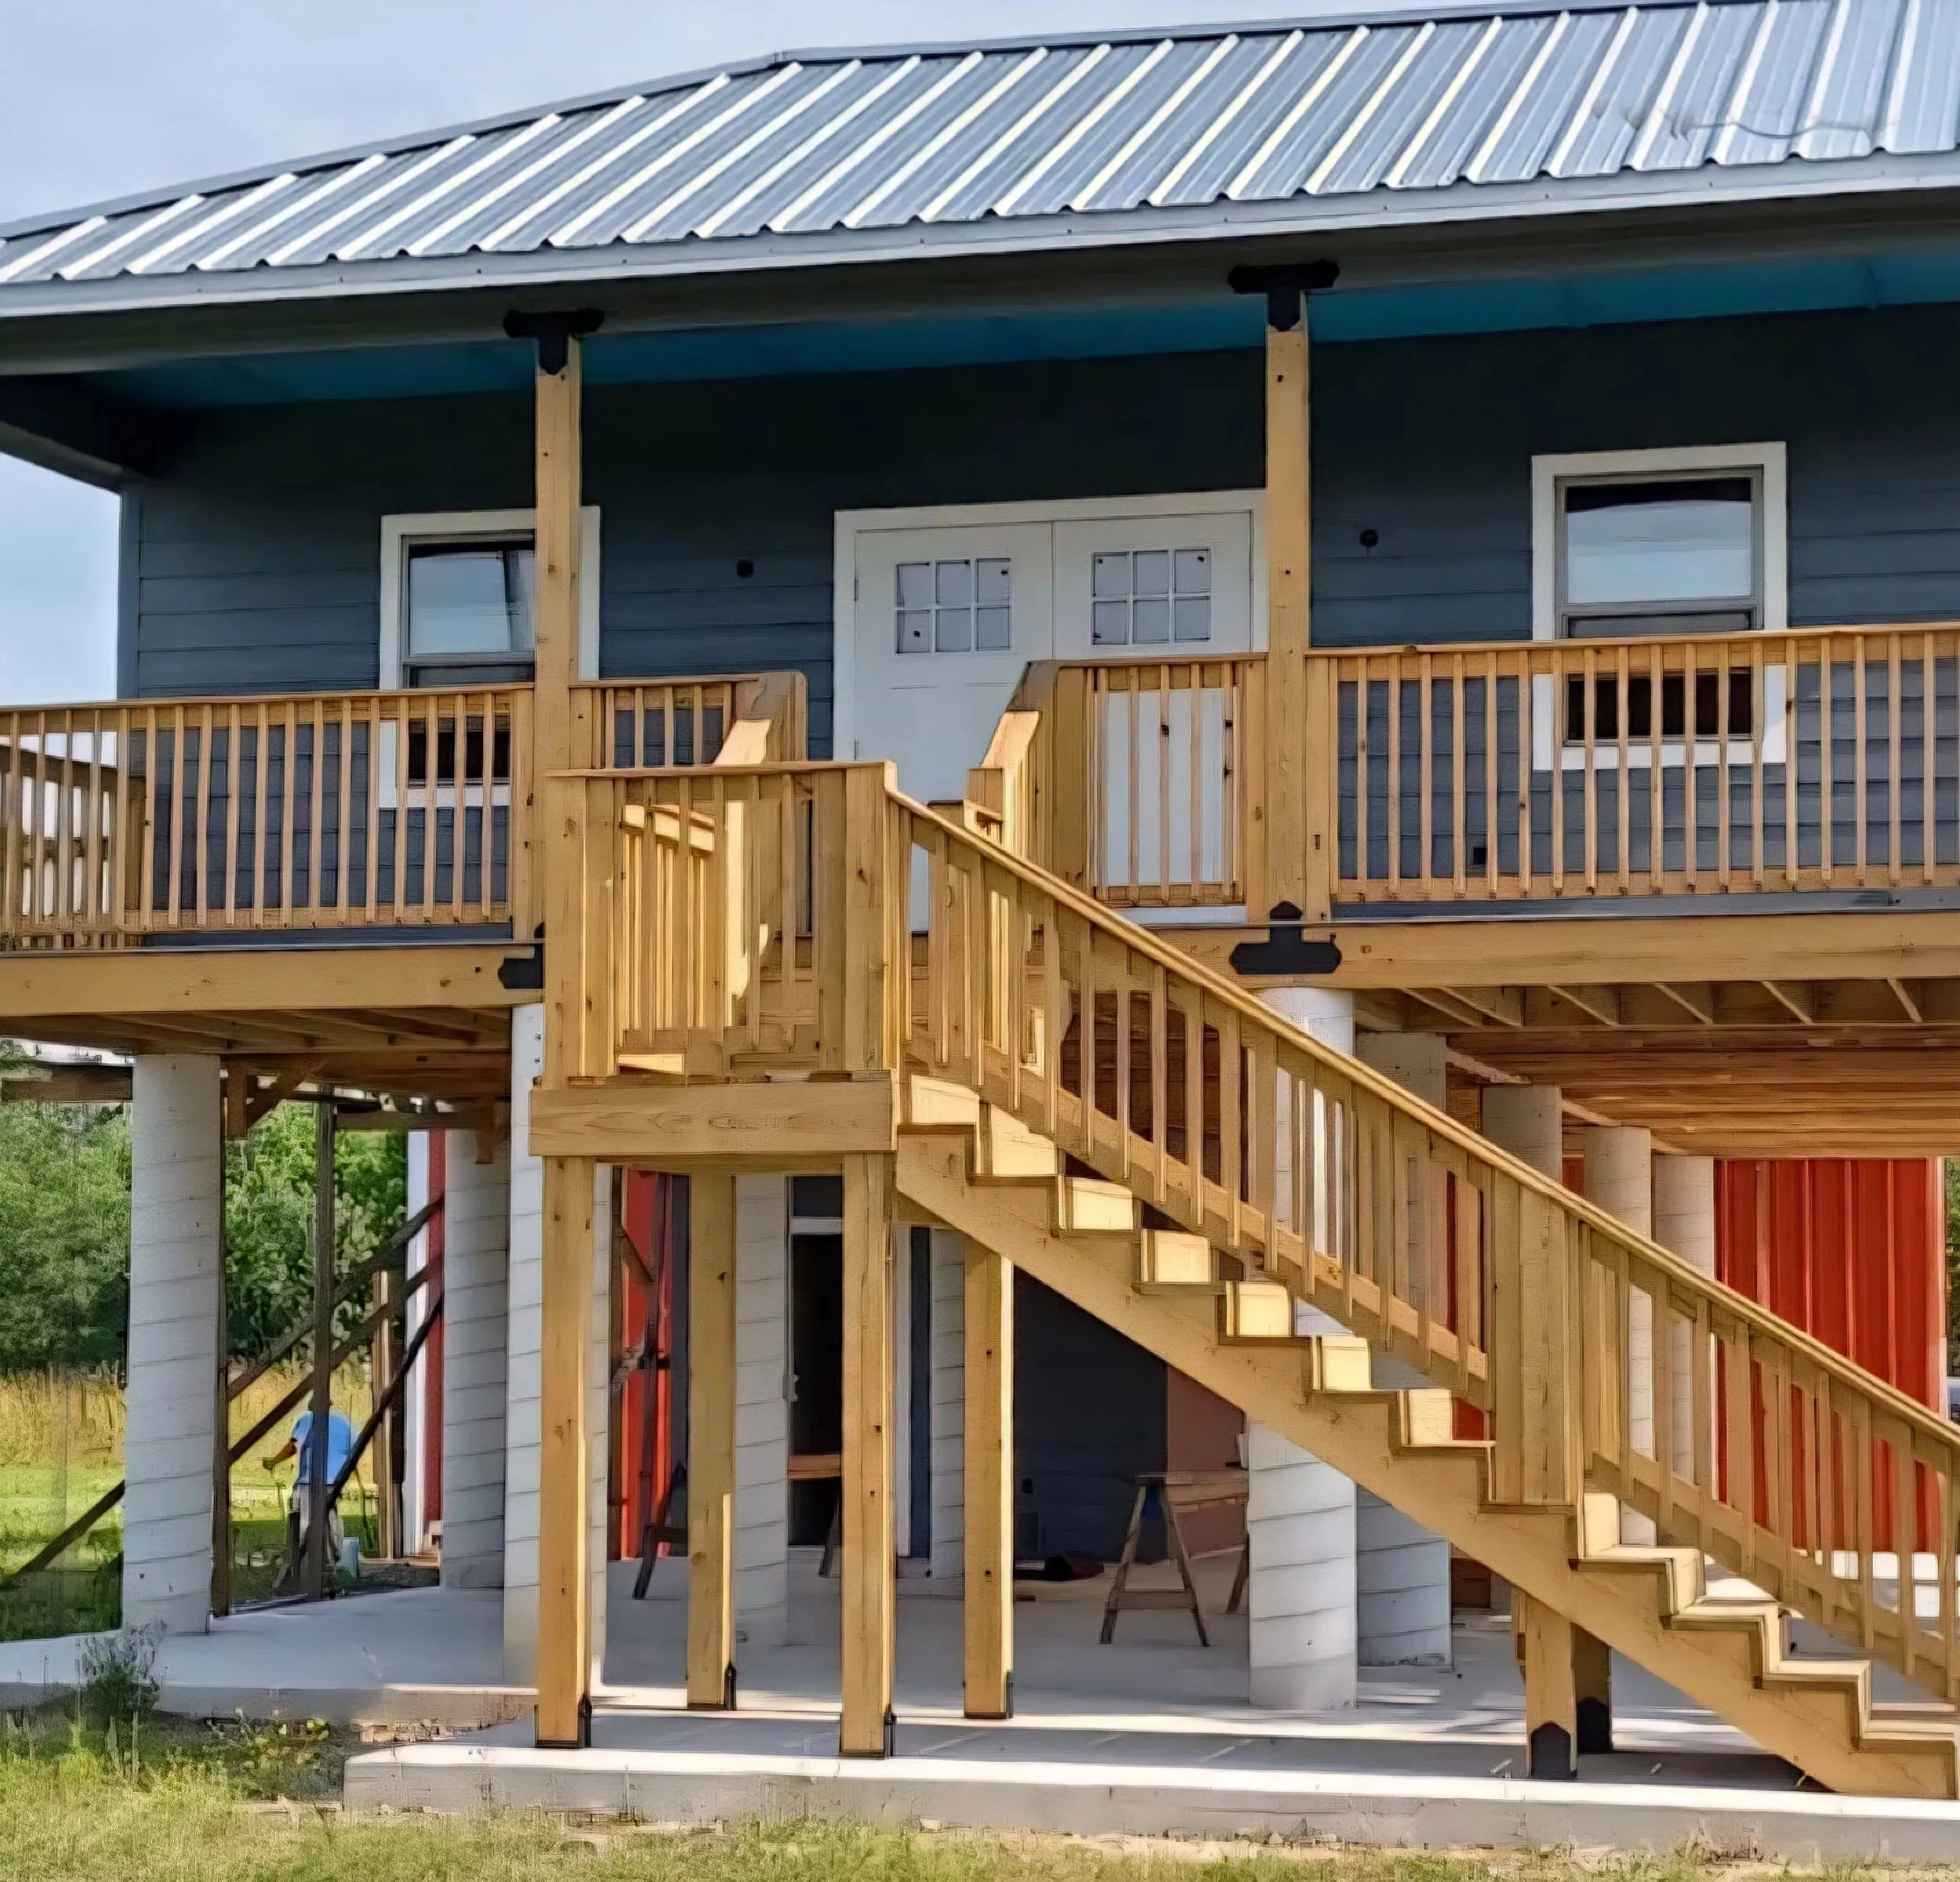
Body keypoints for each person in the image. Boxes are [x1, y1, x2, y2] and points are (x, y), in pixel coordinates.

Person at [265, 1405, 355, 1565]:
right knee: (330, 1522)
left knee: (304, 1524)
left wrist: (273, 1462)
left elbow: (293, 1448)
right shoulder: (344, 1424)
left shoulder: (308, 1419)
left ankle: (300, 1564)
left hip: (310, 1483)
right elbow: (351, 1454)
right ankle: (332, 1562)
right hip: (334, 1484)